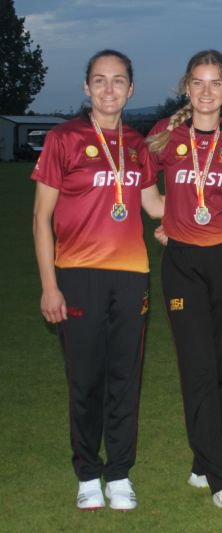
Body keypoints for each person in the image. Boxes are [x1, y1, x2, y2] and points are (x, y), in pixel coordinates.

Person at [32, 49, 163, 511]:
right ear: (87, 87)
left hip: (131, 276)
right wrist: (50, 285)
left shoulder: (138, 144)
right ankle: (88, 472)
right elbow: (41, 218)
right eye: (100, 80)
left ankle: (119, 472)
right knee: (85, 380)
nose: (110, 89)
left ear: (131, 89)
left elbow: (154, 206)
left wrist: (208, 201)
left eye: (119, 80)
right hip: (78, 275)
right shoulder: (63, 138)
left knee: (125, 379)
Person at [146, 50, 222, 516]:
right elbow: (147, 192)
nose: (206, 91)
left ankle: (202, 462)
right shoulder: (165, 135)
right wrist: (168, 218)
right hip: (184, 264)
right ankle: (221, 481)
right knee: (198, 368)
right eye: (198, 82)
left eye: (215, 83)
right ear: (186, 88)